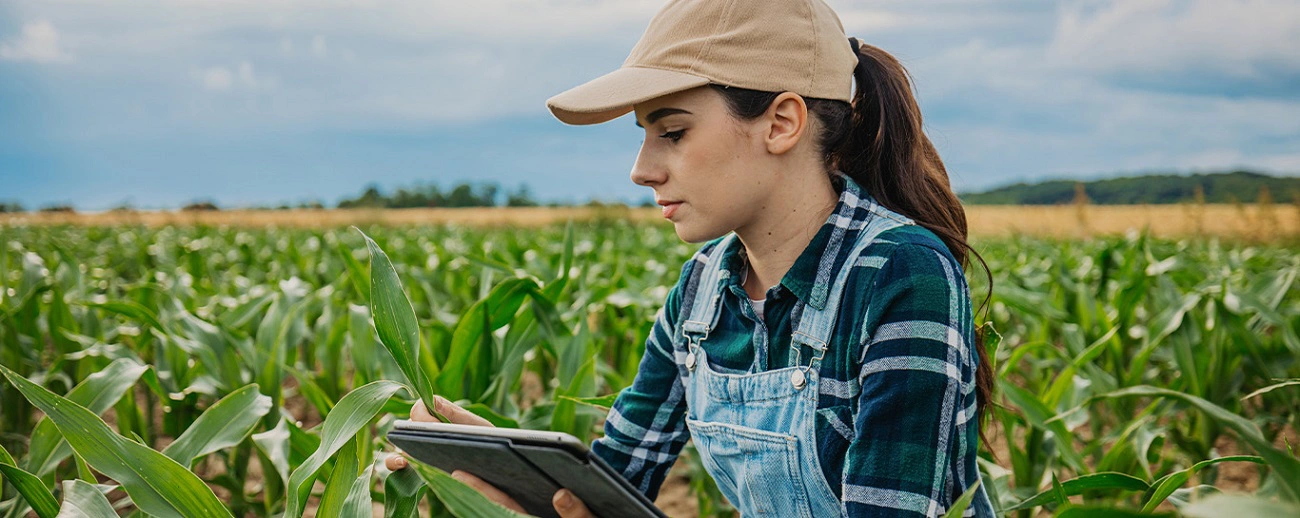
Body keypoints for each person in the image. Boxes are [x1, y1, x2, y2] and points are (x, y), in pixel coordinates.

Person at [387, 0, 997, 516]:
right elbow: (615, 487)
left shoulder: (901, 273)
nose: (642, 170)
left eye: (672, 132)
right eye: (644, 136)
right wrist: (519, 481)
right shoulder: (703, 289)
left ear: (782, 122)